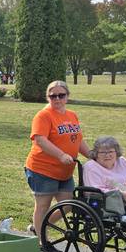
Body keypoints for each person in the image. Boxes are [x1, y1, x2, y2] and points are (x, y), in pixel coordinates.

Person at [24, 80, 91, 234]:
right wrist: (60, 155)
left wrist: (92, 155)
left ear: (67, 96)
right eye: (53, 96)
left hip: (65, 172)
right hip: (42, 170)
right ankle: (41, 240)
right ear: (48, 97)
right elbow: (40, 140)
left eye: (61, 95)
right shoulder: (43, 116)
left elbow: (77, 139)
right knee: (43, 205)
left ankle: (38, 228)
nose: (57, 99)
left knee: (67, 205)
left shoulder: (72, 115)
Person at [82, 136, 126, 230]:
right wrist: (125, 194)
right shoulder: (91, 167)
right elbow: (94, 191)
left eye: (111, 151)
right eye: (103, 152)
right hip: (115, 208)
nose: (107, 155)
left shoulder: (121, 161)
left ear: (116, 152)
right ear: (96, 154)